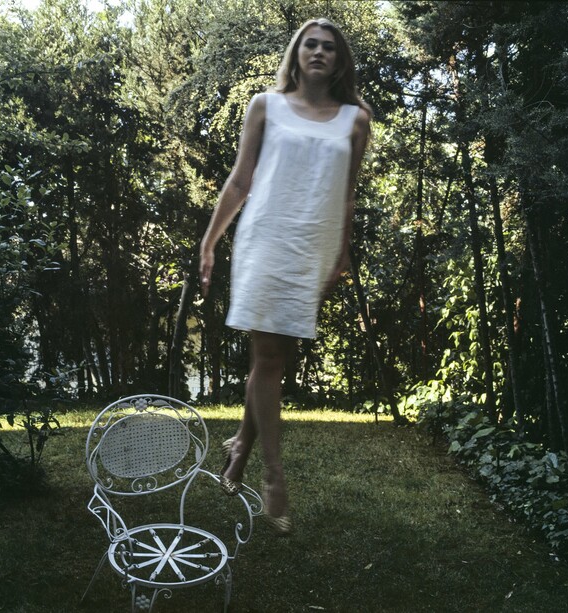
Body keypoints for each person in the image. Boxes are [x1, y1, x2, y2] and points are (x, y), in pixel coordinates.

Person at [199, 17, 370, 535]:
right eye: (309, 44)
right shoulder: (265, 105)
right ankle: (273, 477)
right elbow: (240, 180)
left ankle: (240, 447)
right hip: (266, 238)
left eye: (328, 47)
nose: (318, 52)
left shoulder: (355, 119)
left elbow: (347, 194)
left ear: (339, 61)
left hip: (313, 246)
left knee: (275, 356)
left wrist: (342, 252)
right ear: (296, 53)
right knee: (269, 356)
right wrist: (209, 242)